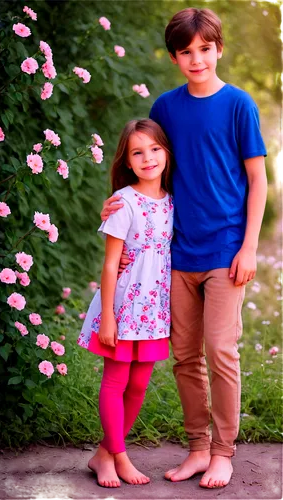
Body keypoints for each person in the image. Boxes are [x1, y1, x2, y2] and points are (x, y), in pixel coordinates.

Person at [100, 7, 267, 489]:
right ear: (174, 58)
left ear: (218, 49)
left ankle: (222, 451)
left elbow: (258, 181)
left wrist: (250, 246)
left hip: (225, 250)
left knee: (221, 350)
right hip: (175, 256)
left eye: (205, 49)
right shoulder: (165, 109)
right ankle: (196, 448)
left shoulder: (239, 105)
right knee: (185, 357)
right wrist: (123, 213)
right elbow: (151, 171)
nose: (197, 59)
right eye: (186, 52)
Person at [77, 118, 174, 488]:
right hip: (122, 307)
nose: (147, 158)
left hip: (154, 310)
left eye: (154, 149)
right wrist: (108, 319)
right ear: (127, 161)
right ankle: (118, 455)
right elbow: (109, 262)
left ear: (166, 152)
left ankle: (103, 453)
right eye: (138, 152)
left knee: (139, 384)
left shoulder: (173, 202)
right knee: (116, 380)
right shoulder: (123, 203)